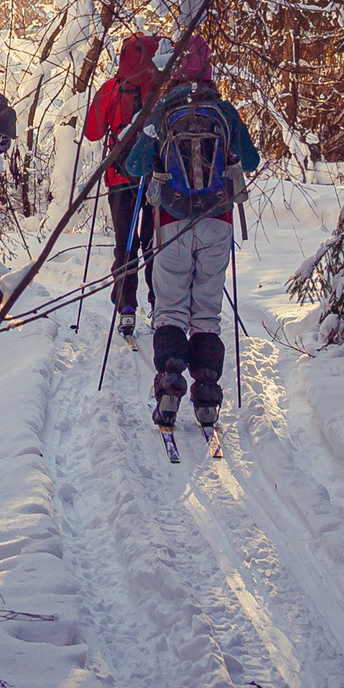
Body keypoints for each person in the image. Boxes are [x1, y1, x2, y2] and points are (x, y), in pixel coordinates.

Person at [118, 36, 258, 431]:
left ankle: (168, 389)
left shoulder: (161, 111)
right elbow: (251, 160)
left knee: (171, 310)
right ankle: (208, 399)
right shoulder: (224, 111)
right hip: (218, 221)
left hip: (171, 222)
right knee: (207, 313)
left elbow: (134, 167)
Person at [81, 33, 162, 339]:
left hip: (120, 177)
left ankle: (126, 307)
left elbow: (92, 132)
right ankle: (159, 303)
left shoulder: (112, 89)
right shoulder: (162, 88)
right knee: (154, 244)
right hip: (157, 179)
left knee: (125, 244)